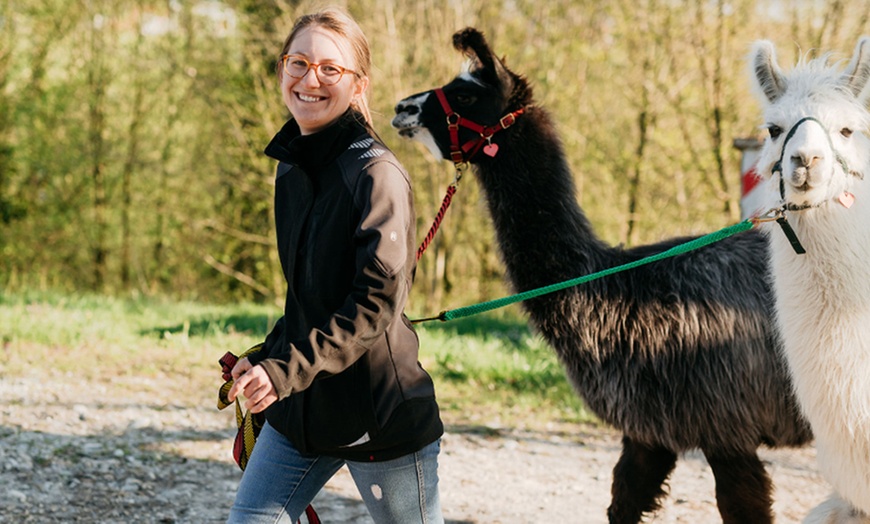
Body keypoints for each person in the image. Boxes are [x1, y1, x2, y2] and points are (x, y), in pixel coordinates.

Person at [224, 6, 444, 524]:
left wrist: (284, 370)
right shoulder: (291, 164)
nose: (310, 80)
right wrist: (267, 361)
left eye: (331, 69)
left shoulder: (377, 176)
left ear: (359, 85)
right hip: (301, 409)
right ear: (282, 70)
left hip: (380, 415)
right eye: (297, 63)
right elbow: (307, 297)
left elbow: (373, 307)